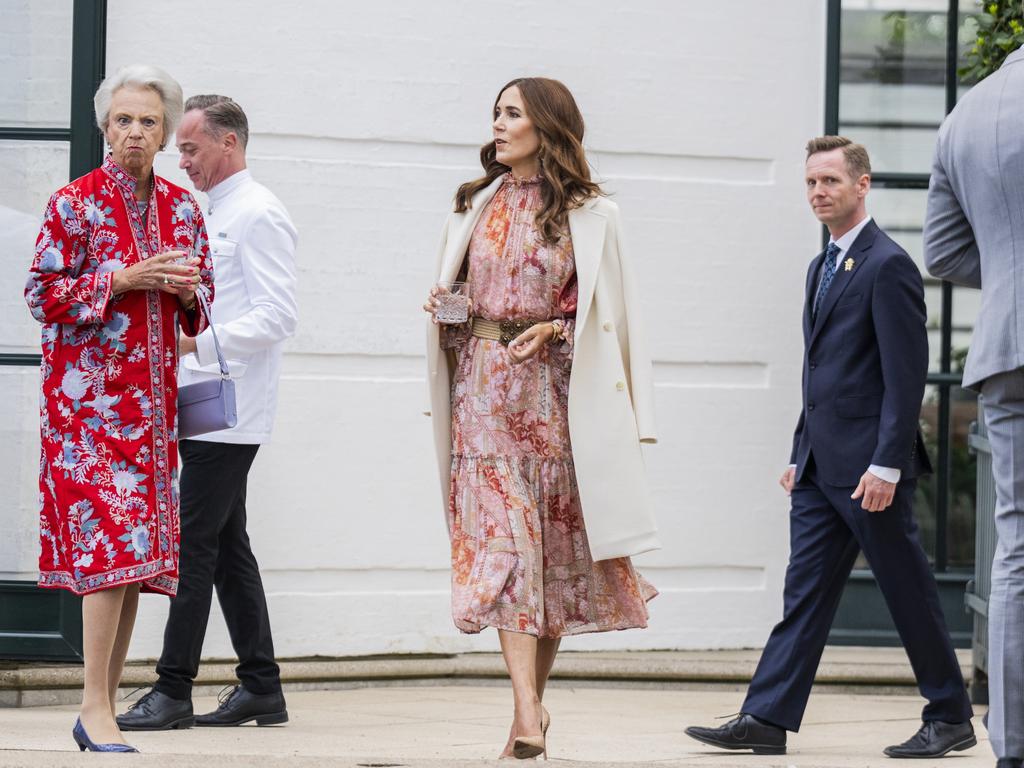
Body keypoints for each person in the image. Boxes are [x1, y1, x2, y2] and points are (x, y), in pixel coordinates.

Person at [685, 136, 974, 759]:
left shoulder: (888, 264)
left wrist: (888, 463)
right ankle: (766, 717)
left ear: (861, 185)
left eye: (831, 182)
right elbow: (820, 372)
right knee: (805, 594)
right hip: (819, 468)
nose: (819, 192)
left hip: (871, 471)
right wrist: (799, 452)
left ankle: (950, 716)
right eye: (811, 183)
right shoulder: (821, 267)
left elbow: (905, 376)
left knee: (907, 590)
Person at [423, 77, 659, 760]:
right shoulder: (474, 203)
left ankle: (526, 719)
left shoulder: (593, 213)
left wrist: (554, 331)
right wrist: (444, 307)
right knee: (506, 548)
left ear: (547, 126)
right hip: (481, 396)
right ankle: (529, 705)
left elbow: (604, 314)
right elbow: (462, 304)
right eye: (495, 112)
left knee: (548, 557)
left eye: (513, 113)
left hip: (555, 402)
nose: (498, 124)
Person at [24, 64, 212, 752]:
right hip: (88, 414)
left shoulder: (183, 207)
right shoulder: (72, 203)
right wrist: (122, 279)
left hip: (155, 409)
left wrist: (189, 292)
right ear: (106, 127)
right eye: (124, 119)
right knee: (109, 549)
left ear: (165, 131)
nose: (136, 132)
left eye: (150, 121)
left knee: (136, 562)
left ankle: (98, 706)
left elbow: (203, 303)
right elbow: (43, 295)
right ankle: (94, 705)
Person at [116, 95, 298, 732]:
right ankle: (260, 687)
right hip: (202, 403)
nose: (182, 159)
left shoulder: (259, 212)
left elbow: (278, 315)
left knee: (190, 543)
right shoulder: (206, 212)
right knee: (225, 547)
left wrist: (194, 343)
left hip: (233, 408)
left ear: (230, 143)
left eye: (191, 147)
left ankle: (172, 691)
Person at [923, 45, 1024, 768]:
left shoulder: (967, 113)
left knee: (1017, 548)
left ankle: (1013, 745)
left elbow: (943, 252)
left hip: (1004, 350)